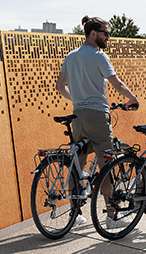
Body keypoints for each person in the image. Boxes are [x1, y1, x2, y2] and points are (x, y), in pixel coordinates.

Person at [55, 15, 140, 228]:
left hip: (78, 116)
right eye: (105, 33)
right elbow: (117, 83)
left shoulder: (71, 56)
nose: (108, 37)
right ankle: (111, 217)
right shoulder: (98, 56)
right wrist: (132, 98)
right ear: (93, 33)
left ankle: (75, 215)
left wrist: (78, 98)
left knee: (78, 164)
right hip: (97, 116)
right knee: (106, 165)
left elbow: (60, 87)